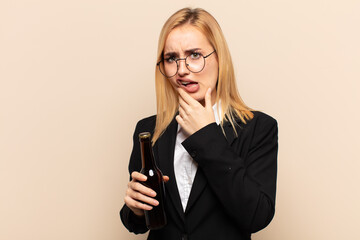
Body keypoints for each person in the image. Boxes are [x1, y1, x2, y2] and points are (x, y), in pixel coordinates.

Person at [120, 7, 278, 240]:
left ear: (219, 58)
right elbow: (138, 224)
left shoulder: (258, 128)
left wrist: (206, 136)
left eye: (195, 55)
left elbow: (257, 216)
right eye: (171, 58)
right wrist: (134, 209)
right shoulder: (148, 130)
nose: (181, 70)